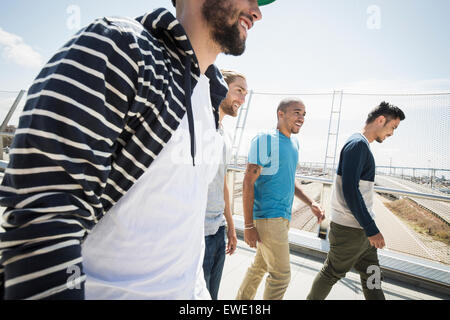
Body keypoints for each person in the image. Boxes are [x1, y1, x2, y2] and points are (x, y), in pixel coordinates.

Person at [0, 0, 277, 300]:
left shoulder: (209, 95)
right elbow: (44, 217)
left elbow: (181, 229)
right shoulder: (120, 47)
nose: (258, 12)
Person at [307, 101, 406, 300]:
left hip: (361, 232)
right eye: (392, 127)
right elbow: (350, 191)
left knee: (372, 275)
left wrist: (369, 229)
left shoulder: (360, 145)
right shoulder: (357, 145)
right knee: (331, 272)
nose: (392, 133)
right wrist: (371, 228)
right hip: (350, 231)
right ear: (380, 120)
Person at [236, 98, 325, 300]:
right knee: (281, 276)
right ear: (281, 113)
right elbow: (248, 181)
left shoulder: (294, 143)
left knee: (259, 267)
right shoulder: (264, 139)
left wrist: (311, 202)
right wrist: (248, 225)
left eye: (304, 114)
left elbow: (289, 180)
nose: (301, 118)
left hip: (283, 217)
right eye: (296, 112)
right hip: (268, 218)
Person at [202, 70, 247, 300]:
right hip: (199, 234)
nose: (242, 99)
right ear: (220, 86)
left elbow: (223, 184)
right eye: (239, 90)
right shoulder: (201, 129)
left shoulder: (224, 135)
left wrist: (230, 226)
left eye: (245, 94)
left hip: (217, 230)